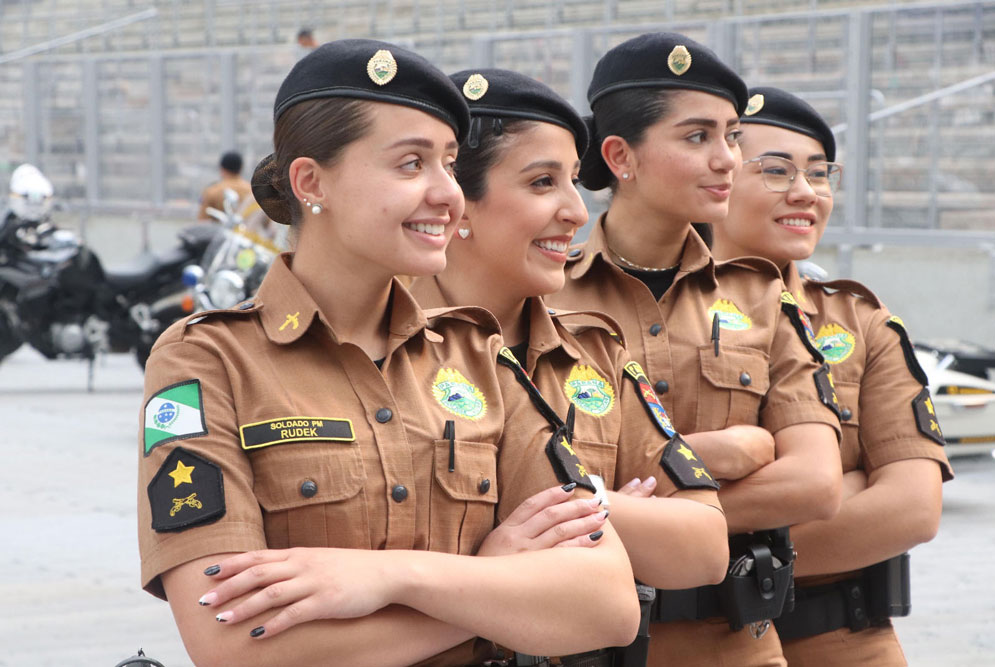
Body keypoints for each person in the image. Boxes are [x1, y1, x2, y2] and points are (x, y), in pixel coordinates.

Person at [137, 39, 640, 666]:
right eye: (410, 165)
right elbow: (236, 644)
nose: (446, 193)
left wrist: (396, 578)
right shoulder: (209, 361)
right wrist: (492, 588)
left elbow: (606, 602)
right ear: (311, 181)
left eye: (450, 165)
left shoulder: (476, 351)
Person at [410, 67, 758, 662]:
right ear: (457, 203)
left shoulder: (593, 352)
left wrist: (575, 495)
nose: (575, 211)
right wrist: (614, 510)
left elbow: (703, 546)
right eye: (543, 182)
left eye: (574, 181)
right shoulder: (382, 355)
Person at [546, 32, 844, 666]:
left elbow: (816, 484)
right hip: (587, 644)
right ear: (621, 157)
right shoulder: (543, 294)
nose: (728, 159)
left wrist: (629, 502)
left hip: (736, 643)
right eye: (697, 137)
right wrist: (712, 456)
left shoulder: (761, 297)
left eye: (732, 136)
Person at [710, 86, 954, 666]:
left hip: (845, 639)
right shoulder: (649, 318)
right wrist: (836, 492)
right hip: (698, 643)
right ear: (716, 180)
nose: (805, 193)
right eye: (775, 171)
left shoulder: (862, 322)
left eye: (819, 175)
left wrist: (688, 542)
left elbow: (911, 508)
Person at [197, 151, 253, 222]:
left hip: (218, 232)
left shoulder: (212, 191)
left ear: (222, 168)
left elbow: (202, 221)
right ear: (241, 168)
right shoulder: (251, 191)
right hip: (246, 232)